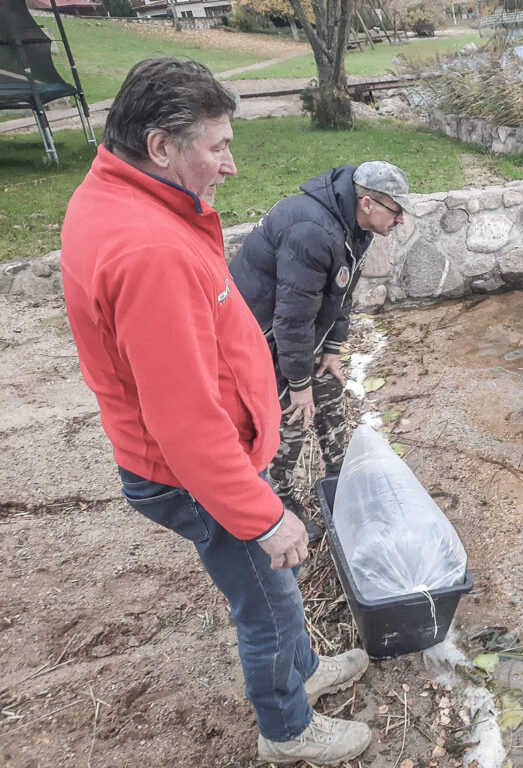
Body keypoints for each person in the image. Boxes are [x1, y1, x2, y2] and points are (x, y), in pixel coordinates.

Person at [60, 57, 373, 765]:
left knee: (274, 587)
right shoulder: (149, 250)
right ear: (161, 147)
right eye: (217, 146)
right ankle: (287, 730)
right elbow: (185, 423)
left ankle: (305, 671)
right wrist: (263, 516)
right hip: (191, 471)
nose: (230, 166)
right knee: (268, 600)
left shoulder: (118, 197)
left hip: (203, 458)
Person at [228, 160, 409, 541]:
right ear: (369, 203)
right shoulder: (312, 231)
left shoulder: (355, 228)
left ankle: (338, 473)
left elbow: (340, 294)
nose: (401, 221)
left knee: (327, 385)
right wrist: (297, 382)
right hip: (254, 334)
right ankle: (275, 497)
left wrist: (332, 349)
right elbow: (290, 318)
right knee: (295, 410)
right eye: (397, 210)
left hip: (291, 329)